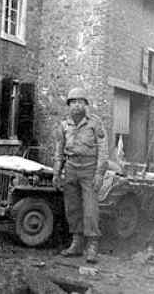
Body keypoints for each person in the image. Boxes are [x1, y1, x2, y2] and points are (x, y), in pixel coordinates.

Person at [53, 87, 105, 263]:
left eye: (80, 102)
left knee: (90, 209)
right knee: (72, 208)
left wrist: (99, 175)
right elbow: (59, 152)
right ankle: (76, 243)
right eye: (73, 102)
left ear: (85, 104)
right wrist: (56, 174)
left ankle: (92, 246)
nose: (76, 105)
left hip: (89, 169)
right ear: (69, 105)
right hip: (70, 169)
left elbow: (103, 152)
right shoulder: (63, 125)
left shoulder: (95, 123)